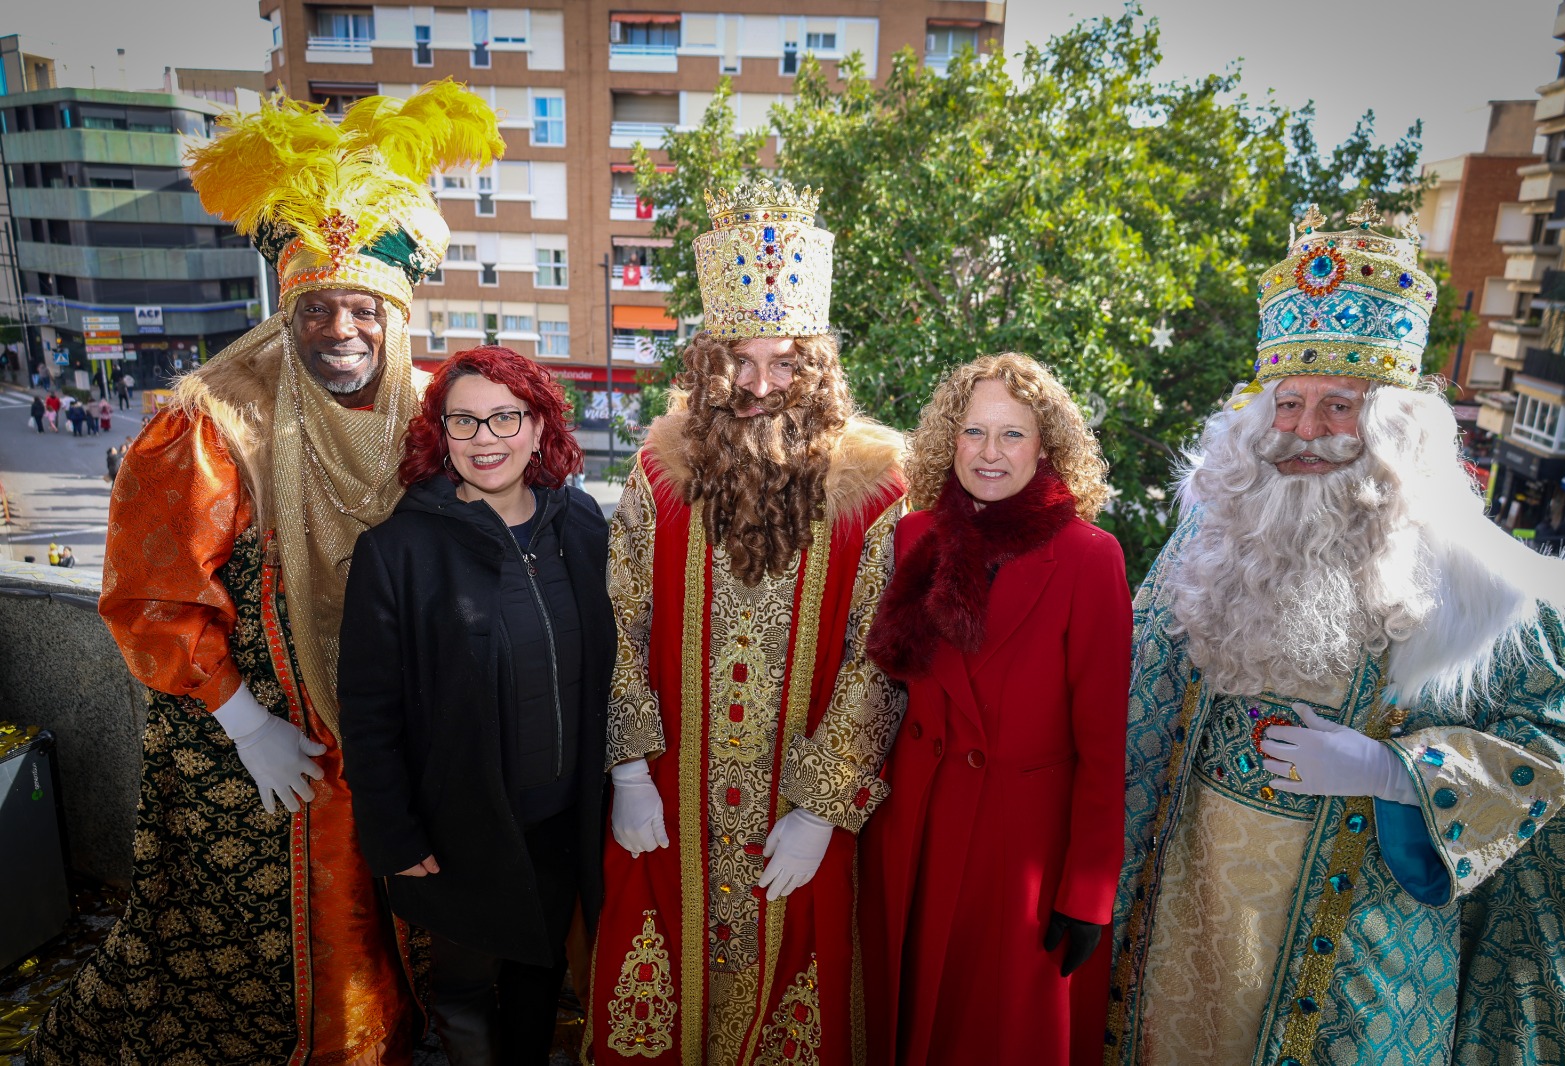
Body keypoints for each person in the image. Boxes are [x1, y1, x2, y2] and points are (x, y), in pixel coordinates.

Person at [30, 82, 504, 1066]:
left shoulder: (439, 407)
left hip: (400, 737)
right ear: (286, 306)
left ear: (401, 309)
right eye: (318, 308)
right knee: (276, 962)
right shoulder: (208, 421)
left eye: (366, 309)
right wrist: (248, 726)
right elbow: (150, 597)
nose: (342, 331)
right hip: (259, 756)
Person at [1107, 202, 1565, 1065]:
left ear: (1394, 423)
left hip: (1357, 945)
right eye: (1288, 403)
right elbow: (1131, 700)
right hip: (1185, 901)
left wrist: (1400, 772)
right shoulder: (1209, 532)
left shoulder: (1478, 575)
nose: (1303, 433)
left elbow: (1560, 747)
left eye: (1339, 406)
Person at [582, 179, 907, 1065]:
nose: (761, 387)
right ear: (707, 362)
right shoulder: (658, 475)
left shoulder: (879, 491)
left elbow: (878, 657)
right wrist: (627, 769)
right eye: (740, 363)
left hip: (795, 801)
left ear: (820, 366)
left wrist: (824, 807)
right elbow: (619, 619)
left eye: (787, 362)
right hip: (671, 792)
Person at [340, 345, 614, 1064]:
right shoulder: (398, 550)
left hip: (561, 818)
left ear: (538, 426)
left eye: (504, 418)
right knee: (462, 994)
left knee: (540, 975)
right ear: (441, 433)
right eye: (465, 422)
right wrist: (394, 836)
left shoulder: (582, 527)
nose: (486, 440)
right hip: (458, 826)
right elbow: (369, 711)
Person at [861, 354, 1131, 1066]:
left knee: (996, 1036)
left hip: (1020, 854)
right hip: (914, 826)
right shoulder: (914, 537)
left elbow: (1104, 748)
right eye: (974, 432)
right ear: (949, 441)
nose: (989, 453)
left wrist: (1088, 890)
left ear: (1046, 447)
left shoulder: (1089, 556)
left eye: (1012, 435)